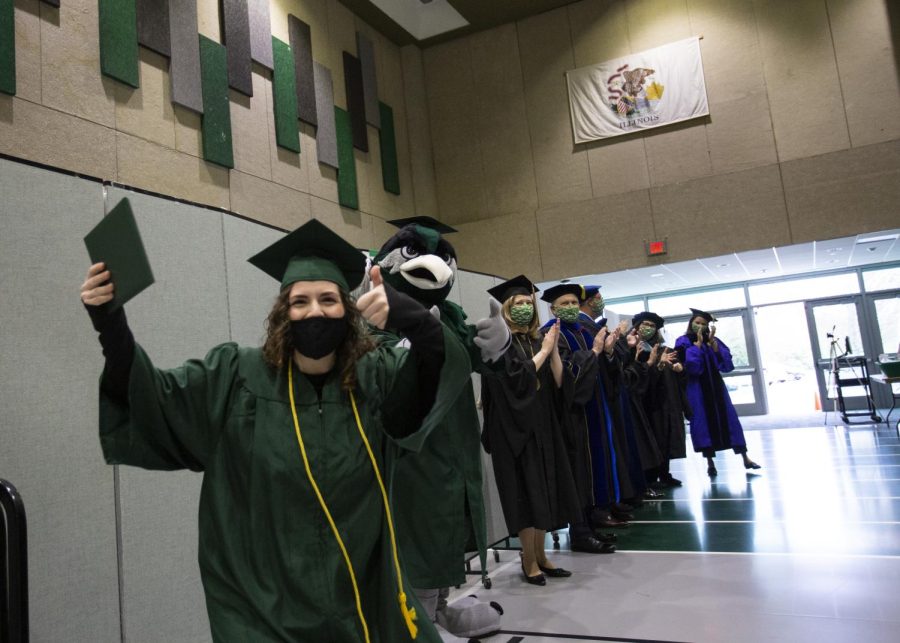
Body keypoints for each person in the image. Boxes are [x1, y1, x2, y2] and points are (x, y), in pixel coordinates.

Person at [80, 218, 471, 643]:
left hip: (361, 596)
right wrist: (111, 325)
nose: (314, 311)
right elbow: (155, 398)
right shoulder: (235, 376)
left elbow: (432, 381)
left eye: (327, 299)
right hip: (264, 608)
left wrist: (417, 321)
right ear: (282, 313)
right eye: (300, 302)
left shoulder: (373, 378)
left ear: (347, 309)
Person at [480, 276, 582, 586]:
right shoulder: (502, 343)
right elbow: (514, 381)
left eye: (528, 303)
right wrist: (543, 351)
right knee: (525, 492)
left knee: (545, 490)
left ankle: (541, 555)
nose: (525, 307)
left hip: (543, 425)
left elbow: (562, 384)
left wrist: (551, 351)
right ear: (507, 310)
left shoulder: (540, 339)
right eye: (518, 304)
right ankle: (527, 559)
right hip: (515, 431)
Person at [674, 308, 761, 477]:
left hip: (717, 387)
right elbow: (691, 368)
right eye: (697, 322)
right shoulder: (683, 342)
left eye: (704, 324)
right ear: (691, 323)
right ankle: (710, 463)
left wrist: (714, 346)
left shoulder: (713, 341)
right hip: (697, 388)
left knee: (730, 421)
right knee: (703, 424)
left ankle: (746, 458)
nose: (700, 326)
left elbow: (727, 366)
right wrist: (697, 347)